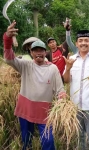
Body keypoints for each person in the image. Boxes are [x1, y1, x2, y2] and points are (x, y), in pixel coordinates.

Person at [3, 20, 66, 150]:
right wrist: (7, 38)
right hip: (26, 108)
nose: (38, 53)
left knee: (48, 141)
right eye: (35, 50)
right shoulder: (25, 65)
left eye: (41, 50)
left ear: (45, 52)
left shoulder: (52, 68)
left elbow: (60, 90)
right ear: (31, 53)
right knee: (26, 140)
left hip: (45, 111)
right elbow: (9, 58)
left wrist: (62, 101)